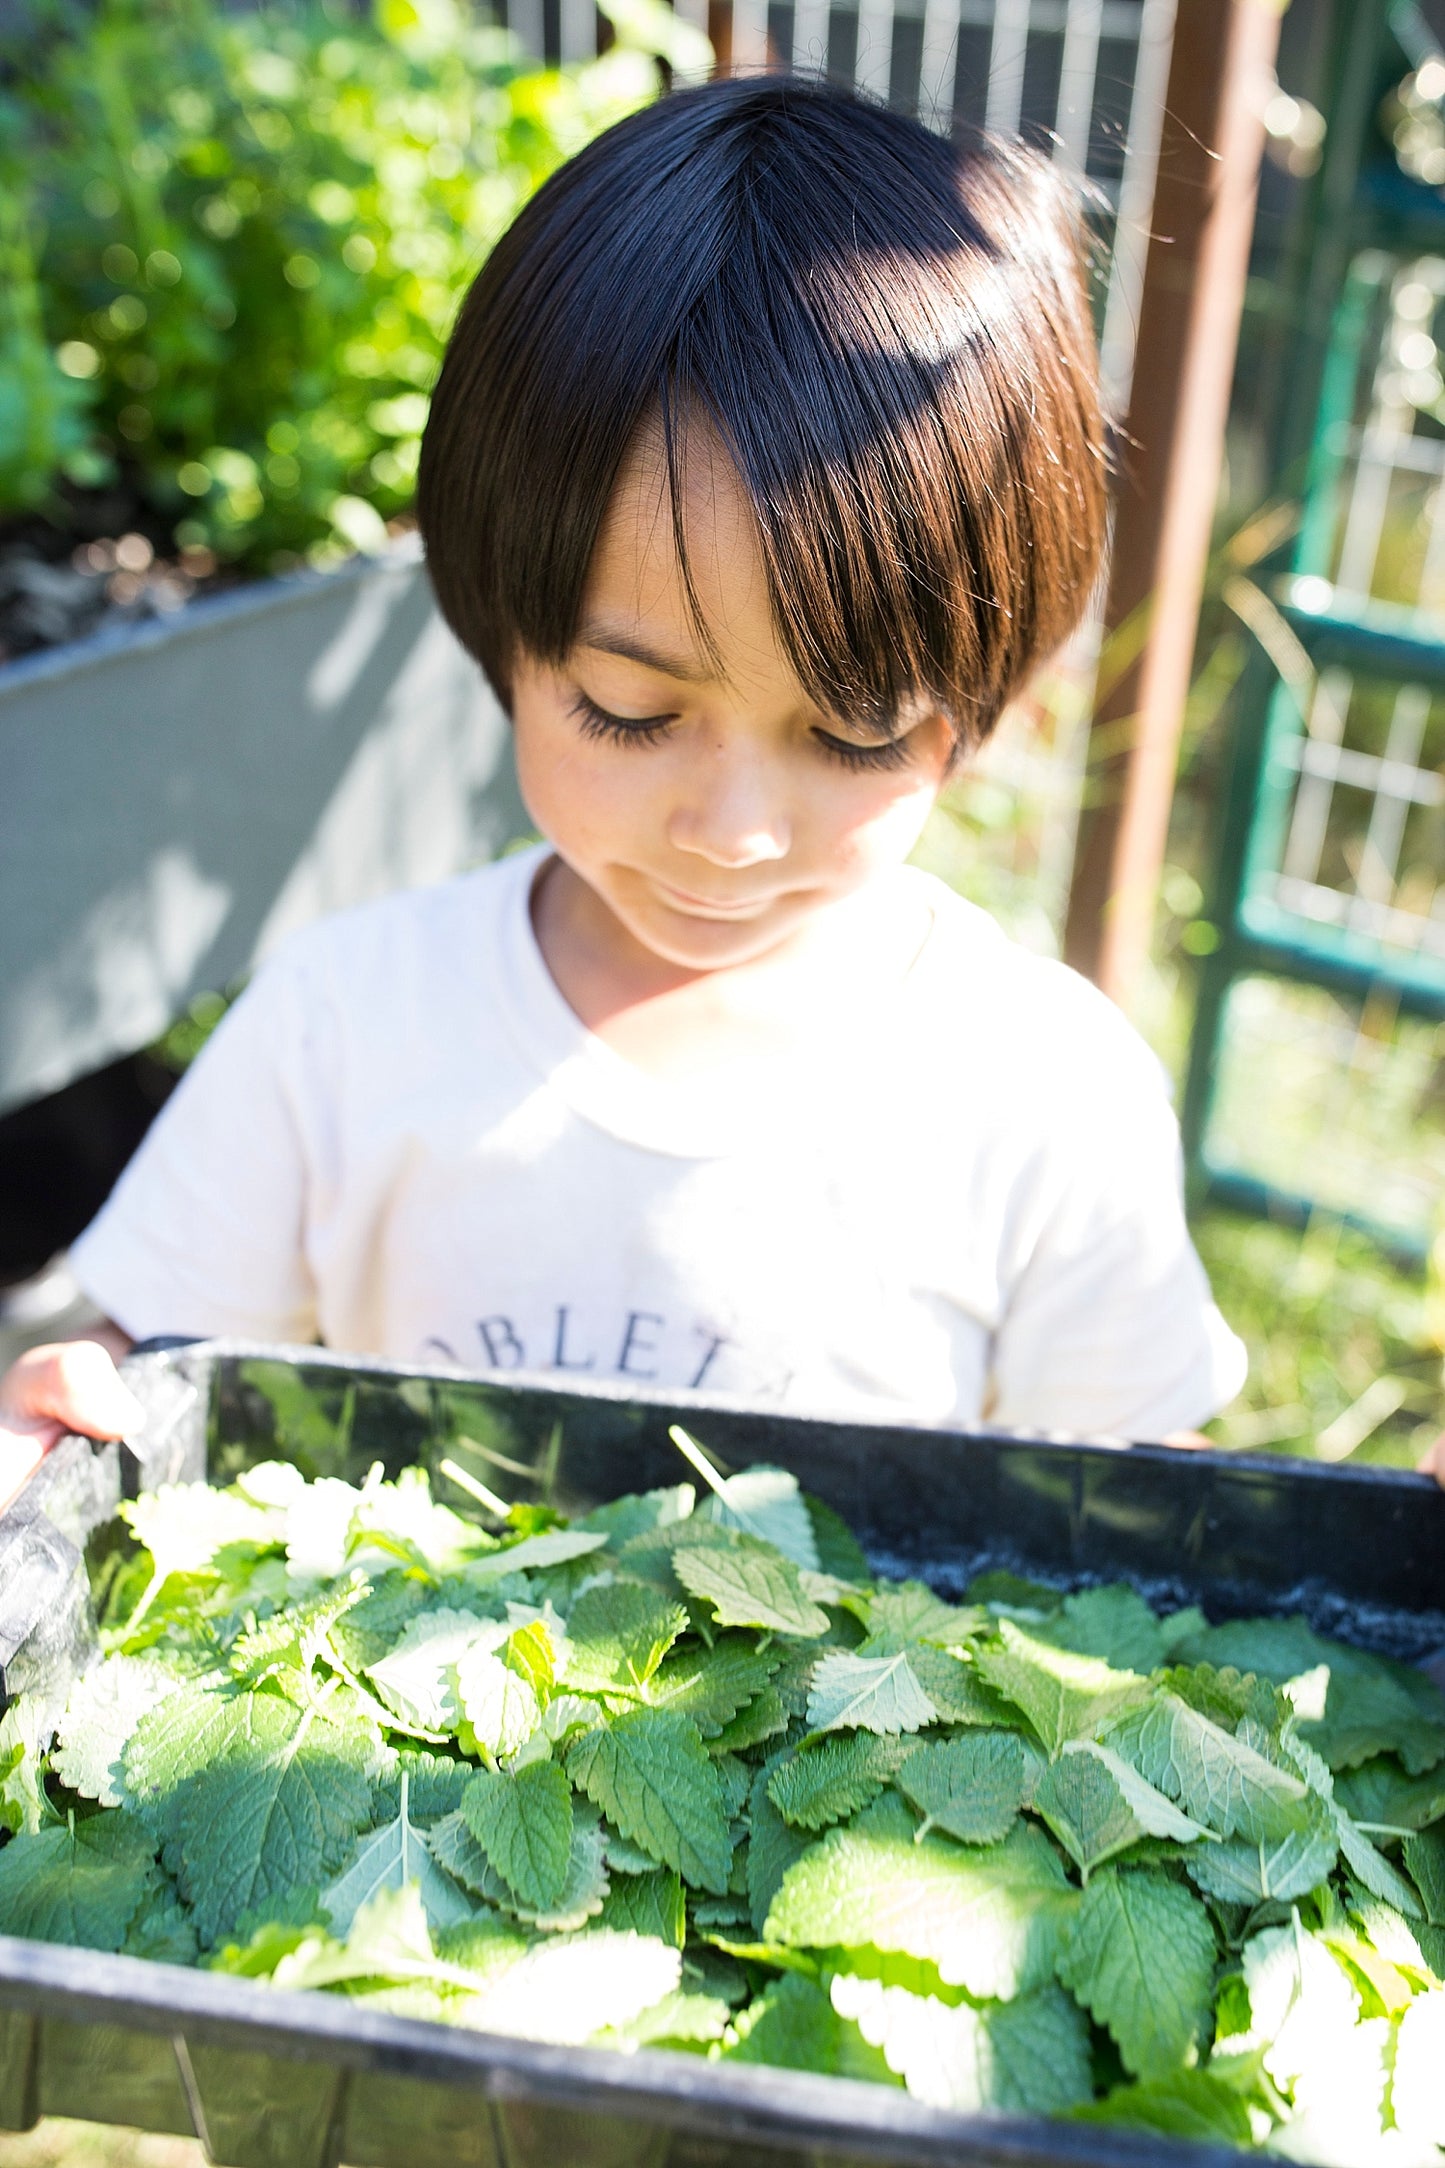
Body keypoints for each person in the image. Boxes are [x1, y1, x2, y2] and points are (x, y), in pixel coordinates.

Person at [0, 75, 1250, 1505]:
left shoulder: (1041, 1093)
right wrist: (46, 1440)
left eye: (854, 737)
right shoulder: (343, 1028)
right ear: (498, 631)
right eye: (630, 711)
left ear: (985, 696)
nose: (733, 833)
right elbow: (132, 1380)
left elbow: (1147, 1525)